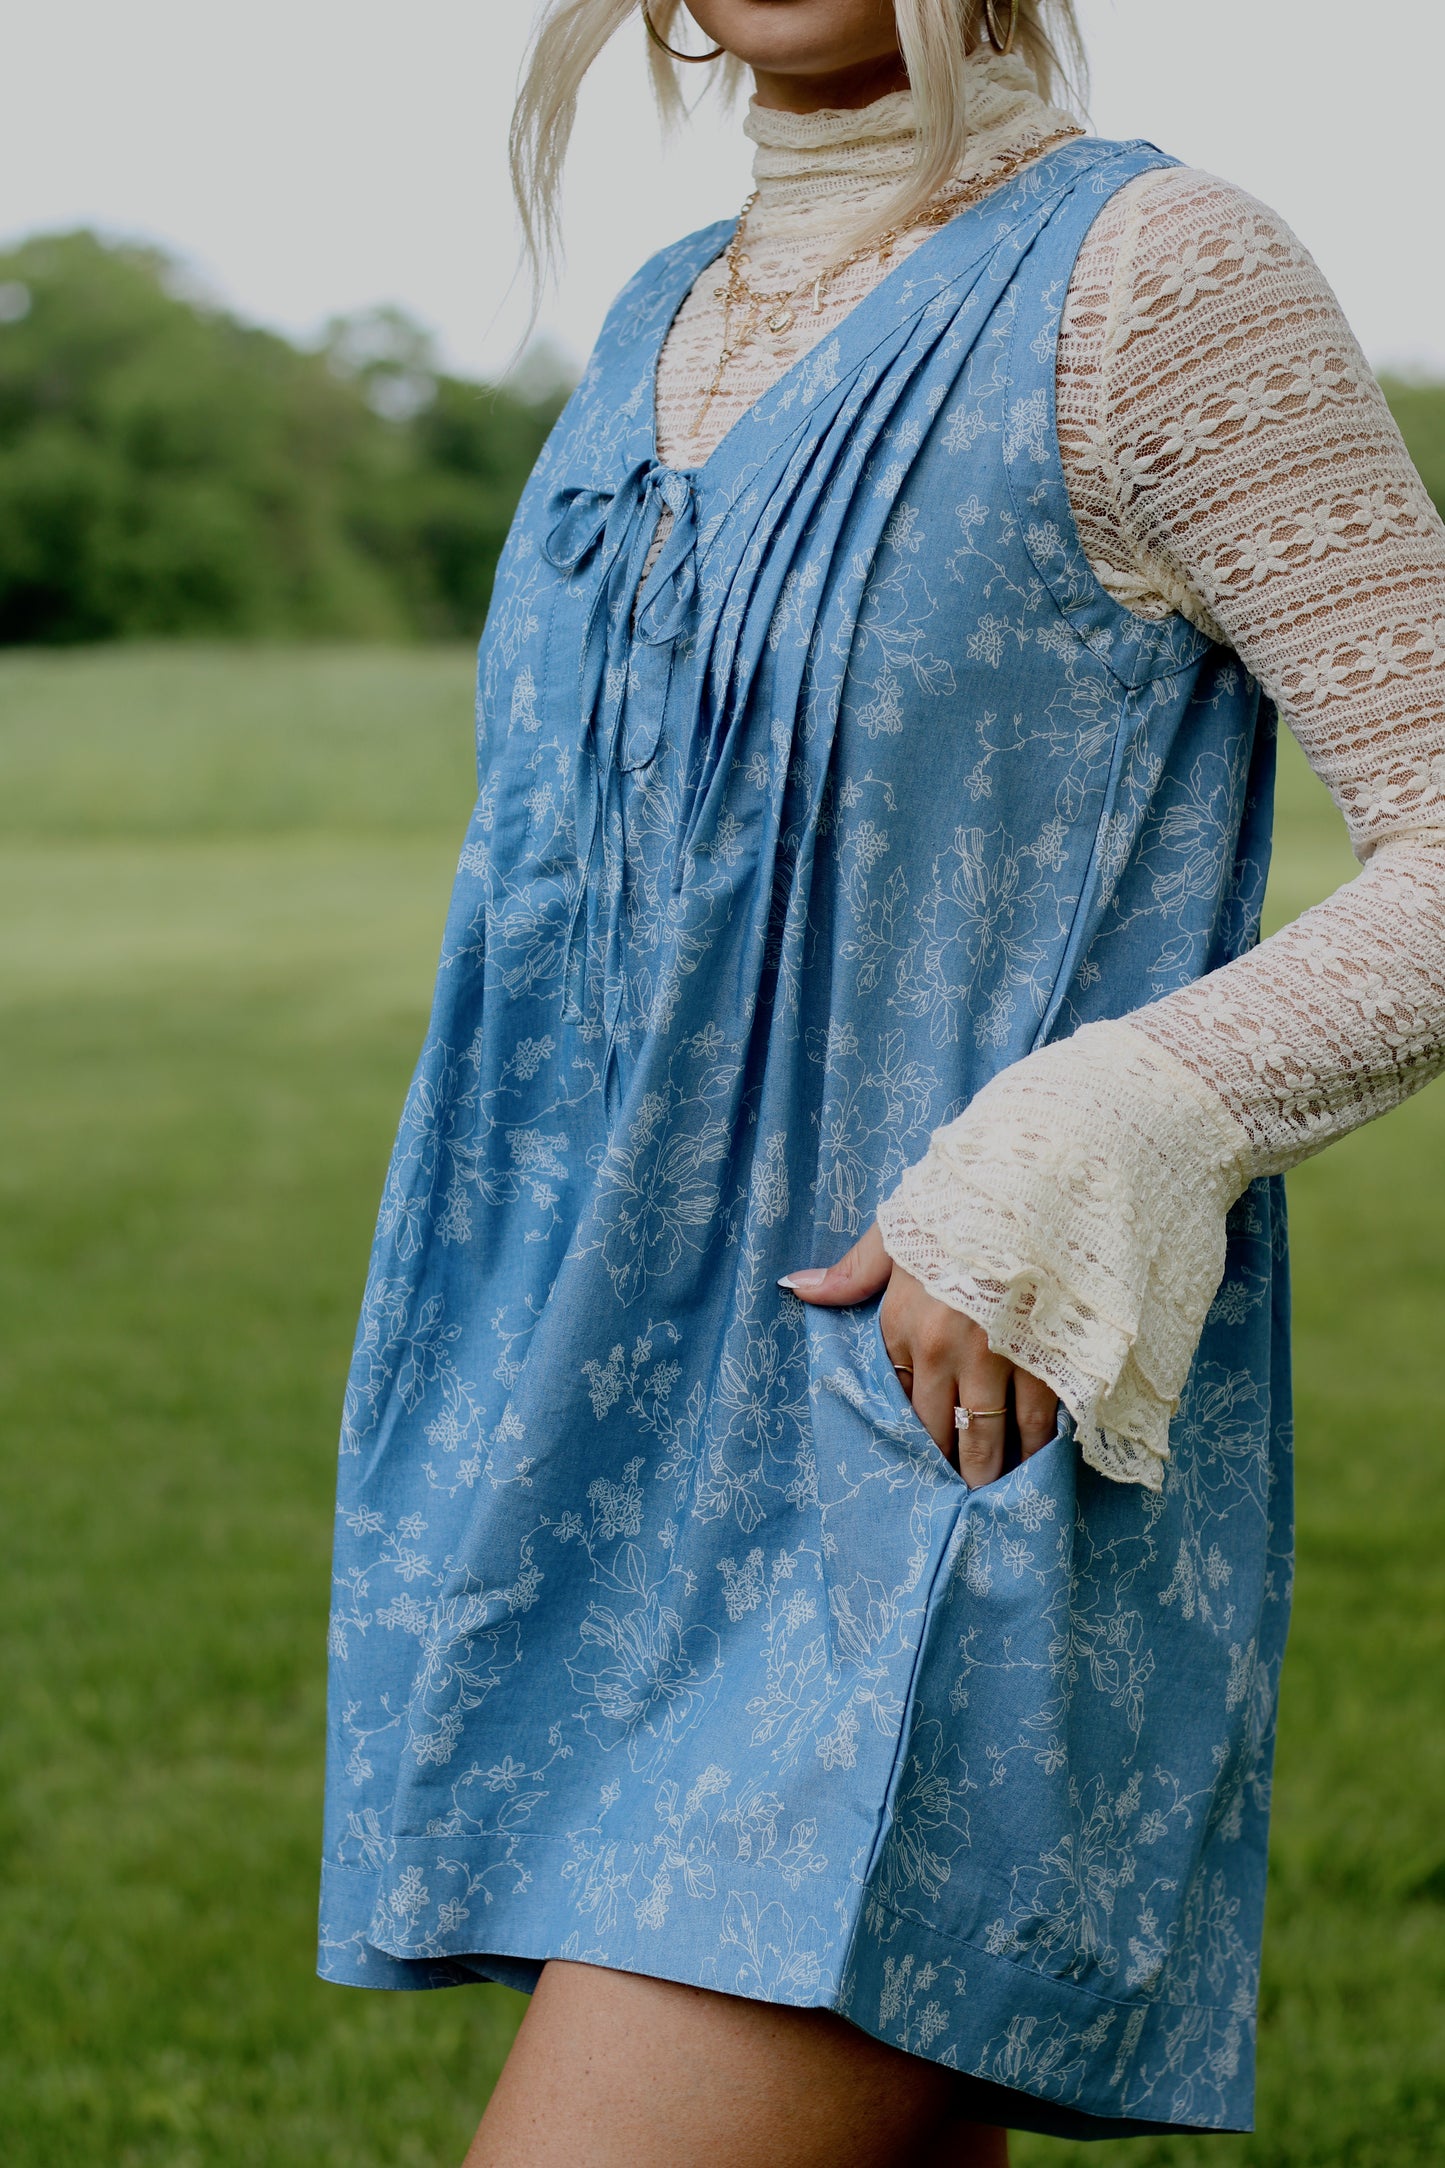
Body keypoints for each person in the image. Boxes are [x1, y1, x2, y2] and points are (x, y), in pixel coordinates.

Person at [317, 3, 1445, 2161]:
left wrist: (1107, 1123)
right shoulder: (662, 307)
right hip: (608, 1466)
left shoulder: (1161, 279)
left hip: (916, 1456)